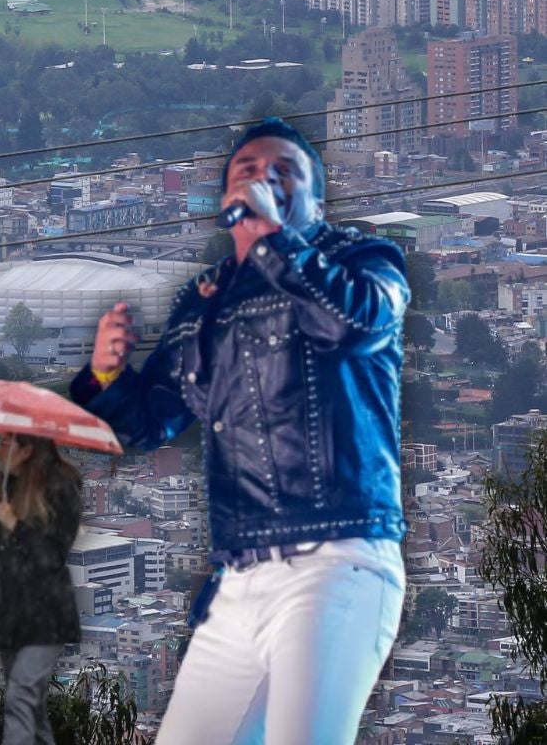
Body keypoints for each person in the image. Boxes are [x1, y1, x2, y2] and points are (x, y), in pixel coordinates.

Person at [69, 117, 409, 745]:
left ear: (317, 198)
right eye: (247, 171)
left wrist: (274, 241)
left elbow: (354, 326)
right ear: (225, 197)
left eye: (283, 171)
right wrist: (107, 375)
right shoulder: (204, 302)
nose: (262, 179)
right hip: (239, 575)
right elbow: (152, 422)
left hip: (337, 556)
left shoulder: (363, 260)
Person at [0, 433, 82, 745]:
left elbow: (51, 557)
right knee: (31, 711)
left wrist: (15, 524)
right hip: (8, 615)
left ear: (26, 450)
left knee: (20, 696)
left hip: (46, 616)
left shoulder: (61, 488)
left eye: (5, 443)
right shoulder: (6, 487)